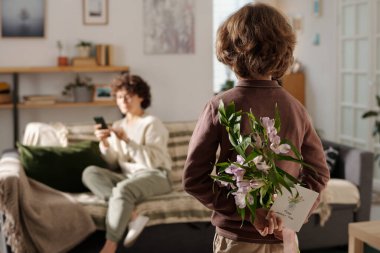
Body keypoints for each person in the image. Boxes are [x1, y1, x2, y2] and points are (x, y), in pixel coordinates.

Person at [183, 3, 330, 253]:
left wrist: (248, 211)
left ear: (229, 50)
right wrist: (284, 214)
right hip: (284, 239)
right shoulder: (296, 108)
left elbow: (194, 179)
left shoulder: (220, 106)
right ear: (283, 52)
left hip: (236, 239)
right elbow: (318, 174)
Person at [82, 74, 172, 253]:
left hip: (156, 175)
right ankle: (132, 215)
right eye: (119, 96)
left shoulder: (152, 123)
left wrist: (127, 141)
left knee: (123, 189)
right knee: (90, 173)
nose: (123, 100)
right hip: (128, 176)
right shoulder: (119, 124)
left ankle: (109, 246)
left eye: (128, 95)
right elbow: (113, 161)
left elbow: (152, 161)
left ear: (141, 97)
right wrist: (105, 143)